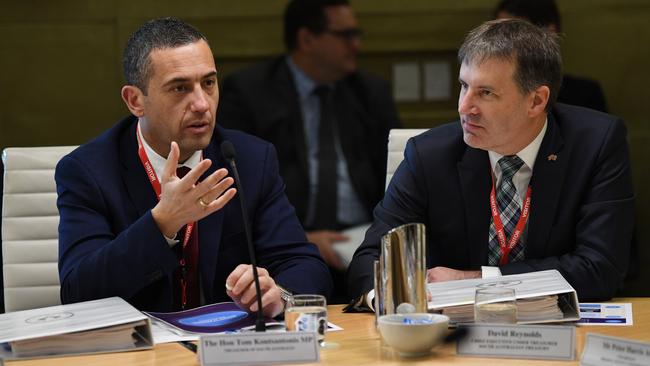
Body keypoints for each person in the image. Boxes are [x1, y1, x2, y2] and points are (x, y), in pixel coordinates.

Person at [56, 17, 332, 315]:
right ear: (135, 100)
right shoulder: (88, 171)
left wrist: (279, 293)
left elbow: (305, 265)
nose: (202, 103)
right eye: (179, 88)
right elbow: (78, 293)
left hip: (229, 347)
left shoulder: (249, 159)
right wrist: (162, 222)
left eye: (209, 83)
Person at [347, 19, 634, 303]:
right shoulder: (429, 155)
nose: (464, 107)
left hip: (558, 334)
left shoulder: (595, 144)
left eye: (485, 93)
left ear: (536, 101)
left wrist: (477, 281)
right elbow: (370, 260)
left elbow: (601, 268)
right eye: (463, 86)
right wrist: (390, 303)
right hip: (449, 337)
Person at [218, 0, 400, 303]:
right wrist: (303, 237)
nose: (357, 44)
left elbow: (396, 178)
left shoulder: (370, 92)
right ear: (307, 39)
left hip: (364, 245)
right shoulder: (250, 93)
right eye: (346, 35)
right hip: (288, 246)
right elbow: (238, 189)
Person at [494, 0, 609, 112]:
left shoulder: (584, 95)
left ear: (548, 34)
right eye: (496, 33)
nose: (501, 43)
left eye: (513, 33)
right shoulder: (488, 90)